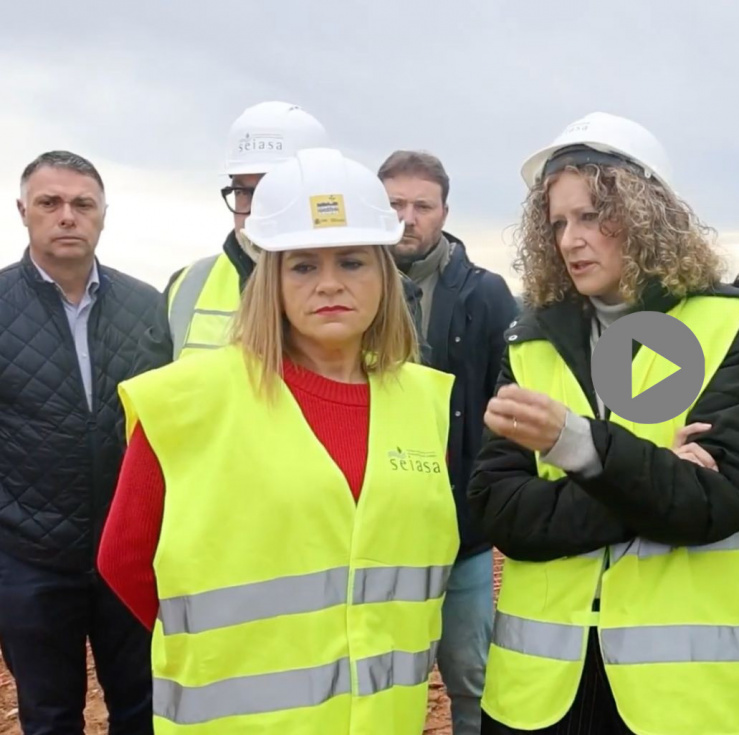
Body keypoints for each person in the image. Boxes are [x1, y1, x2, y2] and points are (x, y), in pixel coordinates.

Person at [97, 148, 460, 734]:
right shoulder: (189, 402)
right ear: (272, 279)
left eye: (351, 262)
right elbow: (126, 559)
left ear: (384, 276)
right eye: (303, 267)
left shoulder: (424, 403)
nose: (330, 285)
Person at [467, 111, 739, 735]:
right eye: (559, 222)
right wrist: (645, 475)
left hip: (686, 700)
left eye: (591, 215)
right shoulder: (531, 342)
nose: (570, 240)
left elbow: (715, 503)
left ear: (646, 215)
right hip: (542, 696)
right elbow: (500, 510)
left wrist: (576, 449)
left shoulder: (725, 326)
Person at [0, 150, 160, 734]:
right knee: (49, 715)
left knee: (143, 708)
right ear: (24, 212)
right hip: (29, 558)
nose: (67, 216)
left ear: (102, 215)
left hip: (129, 549)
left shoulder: (147, 307)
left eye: (82, 204)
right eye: (50, 203)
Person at [379, 149, 519, 734]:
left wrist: (482, 500)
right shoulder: (349, 289)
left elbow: (505, 405)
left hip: (460, 531)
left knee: (472, 680)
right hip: (379, 535)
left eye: (421, 205)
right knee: (382, 686)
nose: (408, 218)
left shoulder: (486, 294)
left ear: (444, 211)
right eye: (394, 205)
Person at [138, 101, 427, 371]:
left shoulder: (389, 293)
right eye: (242, 192)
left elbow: (404, 401)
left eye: (270, 191)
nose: (254, 211)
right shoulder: (188, 286)